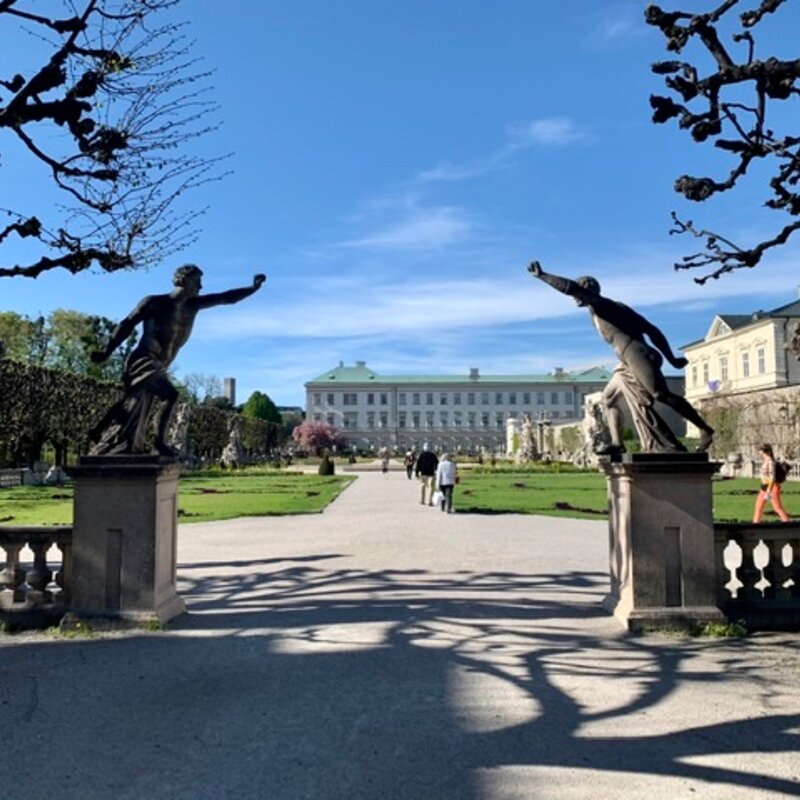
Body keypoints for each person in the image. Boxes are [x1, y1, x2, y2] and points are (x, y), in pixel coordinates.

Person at [528, 261, 714, 455]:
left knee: (660, 394)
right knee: (608, 399)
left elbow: (570, 288)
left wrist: (543, 276)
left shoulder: (603, 306)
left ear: (588, 291)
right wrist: (671, 359)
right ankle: (618, 443)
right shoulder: (612, 308)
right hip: (627, 360)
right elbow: (652, 330)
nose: (575, 297)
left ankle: (704, 429)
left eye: (578, 293)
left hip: (636, 353)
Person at [89, 265, 266, 456]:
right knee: (170, 395)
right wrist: (107, 351)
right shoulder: (155, 302)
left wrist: (252, 288)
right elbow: (127, 324)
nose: (201, 286)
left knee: (133, 405)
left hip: (161, 365)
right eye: (197, 281)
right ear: (183, 279)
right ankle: (159, 442)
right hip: (144, 359)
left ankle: (100, 431)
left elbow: (226, 297)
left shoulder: (193, 306)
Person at [753, 443, 791, 522]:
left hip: (772, 487)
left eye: (762, 451)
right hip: (764, 487)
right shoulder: (766, 461)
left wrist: (769, 490)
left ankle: (787, 522)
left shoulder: (770, 461)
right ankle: (756, 523)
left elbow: (772, 477)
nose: (761, 453)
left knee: (777, 507)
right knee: (758, 506)